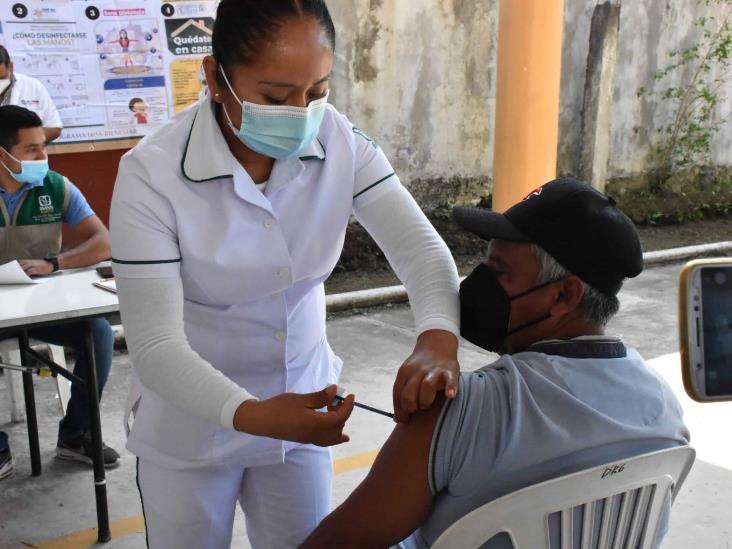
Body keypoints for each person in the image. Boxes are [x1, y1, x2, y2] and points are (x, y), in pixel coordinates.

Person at [109, 1, 460, 547]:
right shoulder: (152, 174)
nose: (300, 114)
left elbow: (421, 249)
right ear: (215, 78)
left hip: (302, 404)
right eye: (275, 97)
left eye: (316, 92)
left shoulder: (338, 140)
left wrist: (437, 338)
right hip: (191, 423)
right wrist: (250, 414)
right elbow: (155, 346)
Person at [302, 178, 691, 549]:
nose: (477, 284)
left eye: (500, 272)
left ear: (563, 296)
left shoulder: (461, 408)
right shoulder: (663, 412)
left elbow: (337, 543)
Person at [0, 106, 119, 477]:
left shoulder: (55, 186)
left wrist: (56, 263)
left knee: (97, 332)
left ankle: (75, 434)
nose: (43, 157)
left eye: (44, 146)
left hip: (40, 306)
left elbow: (104, 241)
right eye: (31, 150)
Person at [0, 46, 63, 143]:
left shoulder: (33, 86)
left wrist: (24, 145)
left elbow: (53, 127)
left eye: (2, 78)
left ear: (11, 68)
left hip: (26, 157)